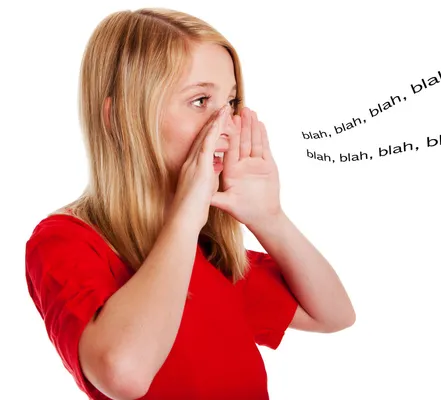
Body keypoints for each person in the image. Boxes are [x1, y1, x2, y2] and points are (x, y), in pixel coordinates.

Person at [24, 7, 355, 400]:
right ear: (118, 119)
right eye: (200, 101)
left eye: (230, 103)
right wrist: (185, 218)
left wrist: (269, 218)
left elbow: (334, 314)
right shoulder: (65, 241)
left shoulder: (209, 251)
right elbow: (123, 375)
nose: (226, 124)